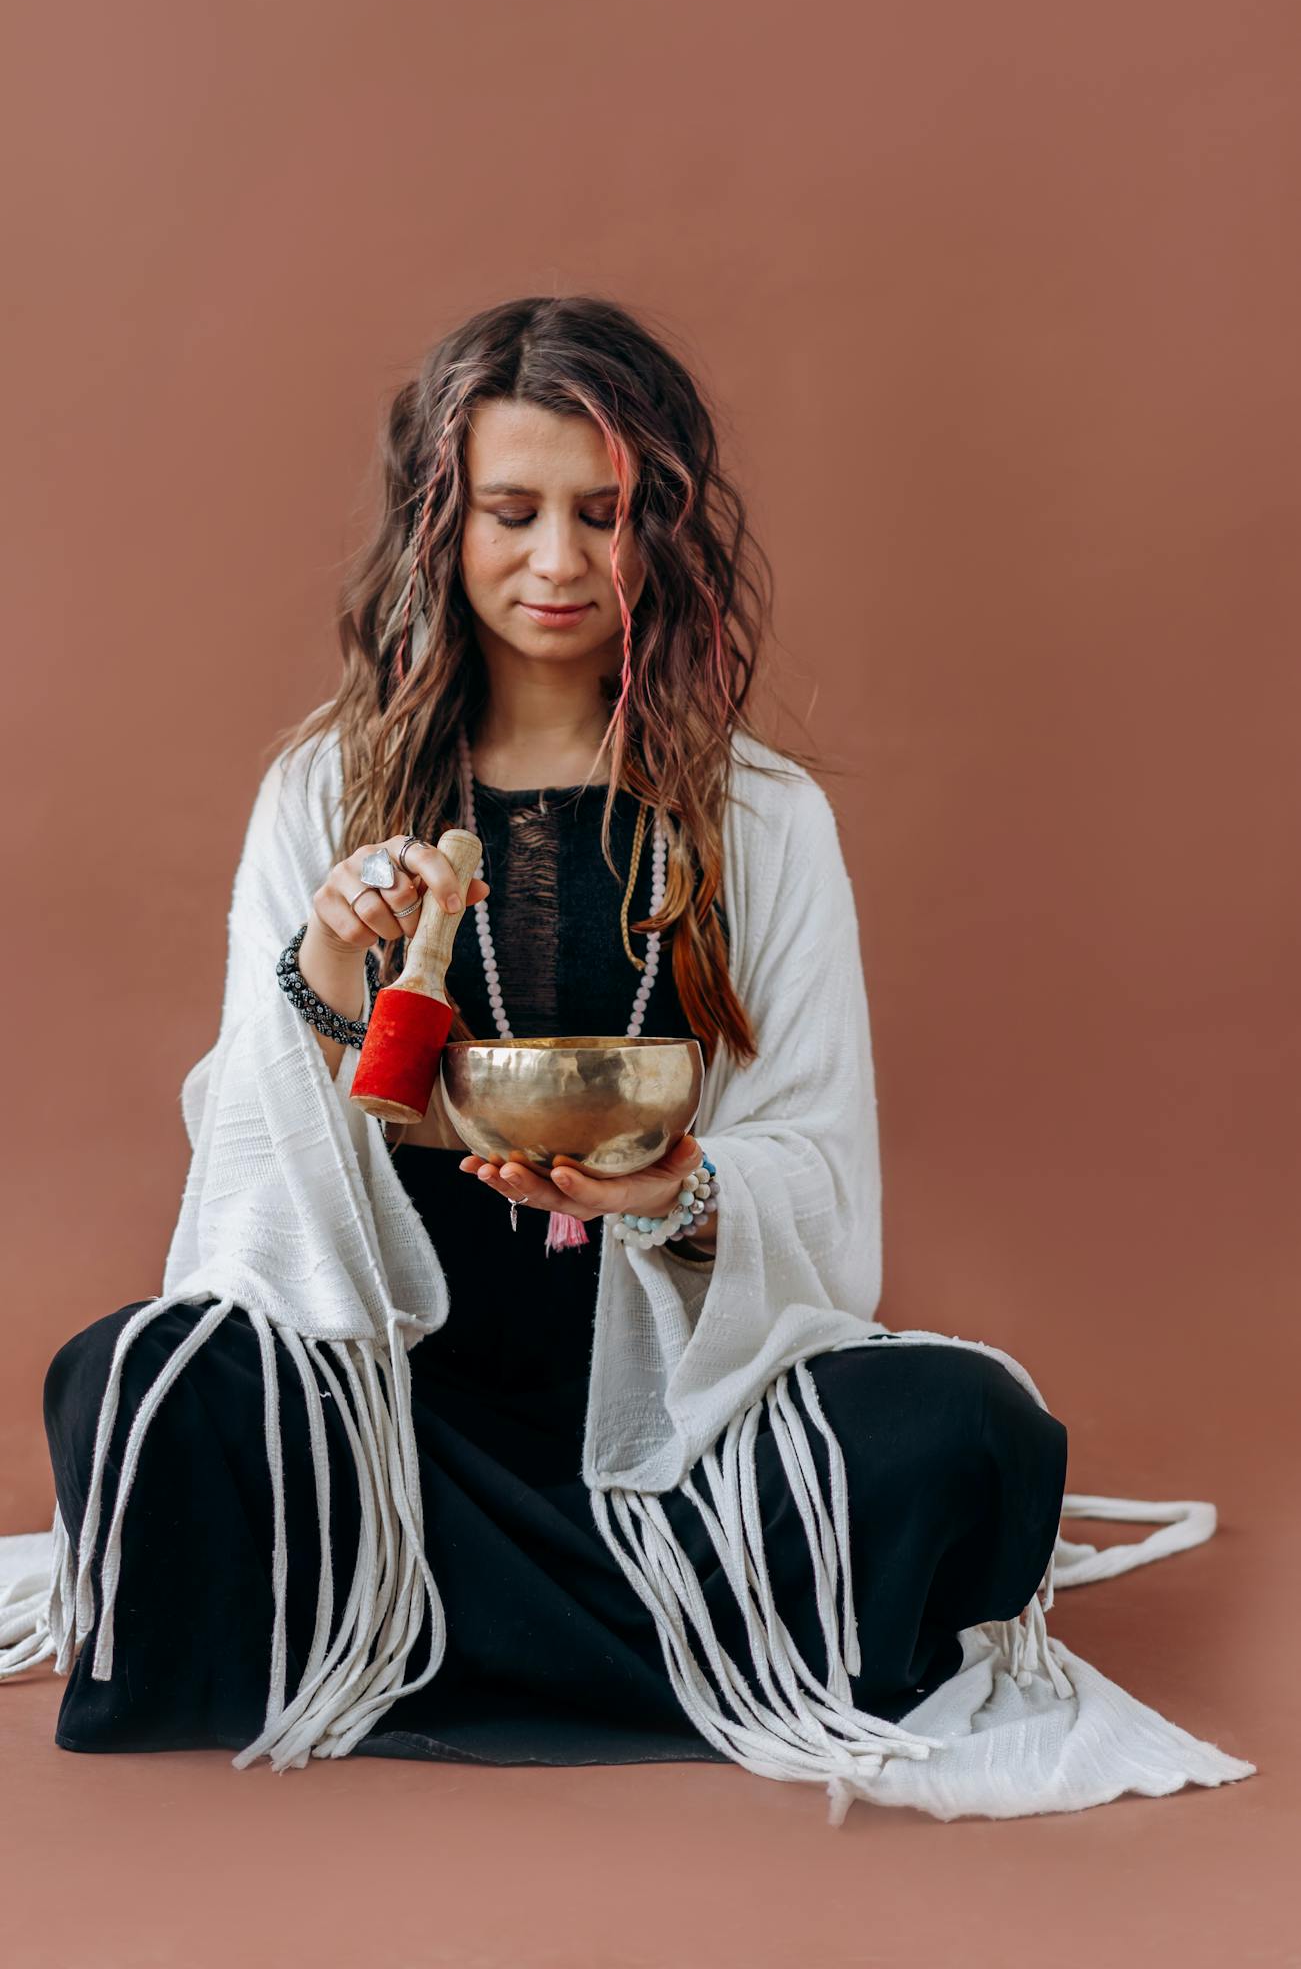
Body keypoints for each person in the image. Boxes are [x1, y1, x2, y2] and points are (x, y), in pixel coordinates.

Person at [4, 296, 1253, 1823]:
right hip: (392, 1414)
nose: (556, 562)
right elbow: (252, 1191)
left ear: (657, 529)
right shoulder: (321, 791)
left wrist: (683, 1184)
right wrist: (326, 965)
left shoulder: (764, 817)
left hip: (676, 1419)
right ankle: (625, 1635)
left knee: (966, 1434)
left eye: (600, 515)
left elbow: (818, 1159)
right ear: (439, 526)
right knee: (132, 1383)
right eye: (510, 512)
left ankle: (404, 1629)